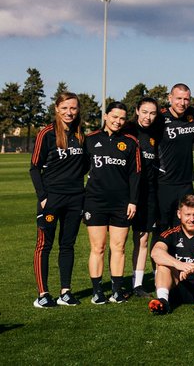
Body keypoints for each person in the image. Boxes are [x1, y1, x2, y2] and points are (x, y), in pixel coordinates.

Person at [31, 91, 86, 309]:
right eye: (64, 108)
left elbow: (86, 165)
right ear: (56, 109)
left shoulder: (82, 135)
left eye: (73, 108)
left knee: (67, 245)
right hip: (52, 199)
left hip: (75, 199)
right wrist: (43, 197)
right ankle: (43, 293)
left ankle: (65, 292)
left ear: (78, 109)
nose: (69, 112)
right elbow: (34, 167)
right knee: (44, 246)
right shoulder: (46, 134)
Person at [84, 101, 142, 304]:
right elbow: (80, 168)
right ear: (106, 116)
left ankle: (117, 290)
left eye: (122, 118)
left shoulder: (130, 142)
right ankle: (98, 291)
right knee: (98, 247)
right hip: (95, 202)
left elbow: (135, 174)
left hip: (121, 203)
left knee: (119, 247)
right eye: (114, 117)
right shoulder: (89, 139)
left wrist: (133, 201)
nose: (118, 121)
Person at [153, 84, 194, 230]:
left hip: (186, 184)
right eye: (178, 98)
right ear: (170, 98)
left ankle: (180, 254)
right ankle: (157, 254)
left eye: (186, 99)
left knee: (183, 228)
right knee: (161, 229)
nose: (182, 103)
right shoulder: (159, 117)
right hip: (163, 184)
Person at [127, 96, 160, 297]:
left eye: (153, 113)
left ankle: (145, 282)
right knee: (122, 241)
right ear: (137, 110)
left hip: (150, 192)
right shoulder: (128, 129)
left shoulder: (157, 130)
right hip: (127, 193)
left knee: (146, 238)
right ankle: (121, 282)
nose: (148, 117)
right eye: (145, 112)